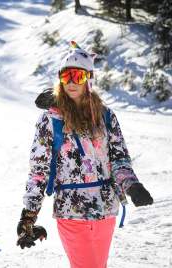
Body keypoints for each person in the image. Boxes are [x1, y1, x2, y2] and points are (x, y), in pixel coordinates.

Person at [16, 41, 153, 268]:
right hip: (71, 210)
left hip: (106, 209)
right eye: (66, 75)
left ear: (89, 78)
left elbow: (119, 159)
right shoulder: (50, 120)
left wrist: (132, 185)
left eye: (77, 76)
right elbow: (39, 171)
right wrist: (29, 215)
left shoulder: (106, 116)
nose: (71, 82)